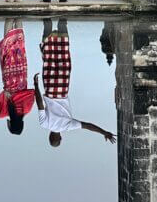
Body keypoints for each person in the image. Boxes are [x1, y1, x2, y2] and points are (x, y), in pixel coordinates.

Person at [33, 19, 116, 148]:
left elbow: (87, 126)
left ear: (60, 137)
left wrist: (104, 132)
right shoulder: (44, 124)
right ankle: (47, 22)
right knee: (49, 59)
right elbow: (39, 104)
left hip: (63, 88)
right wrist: (35, 86)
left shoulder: (67, 126)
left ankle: (63, 22)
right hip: (49, 89)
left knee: (64, 57)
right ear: (49, 135)